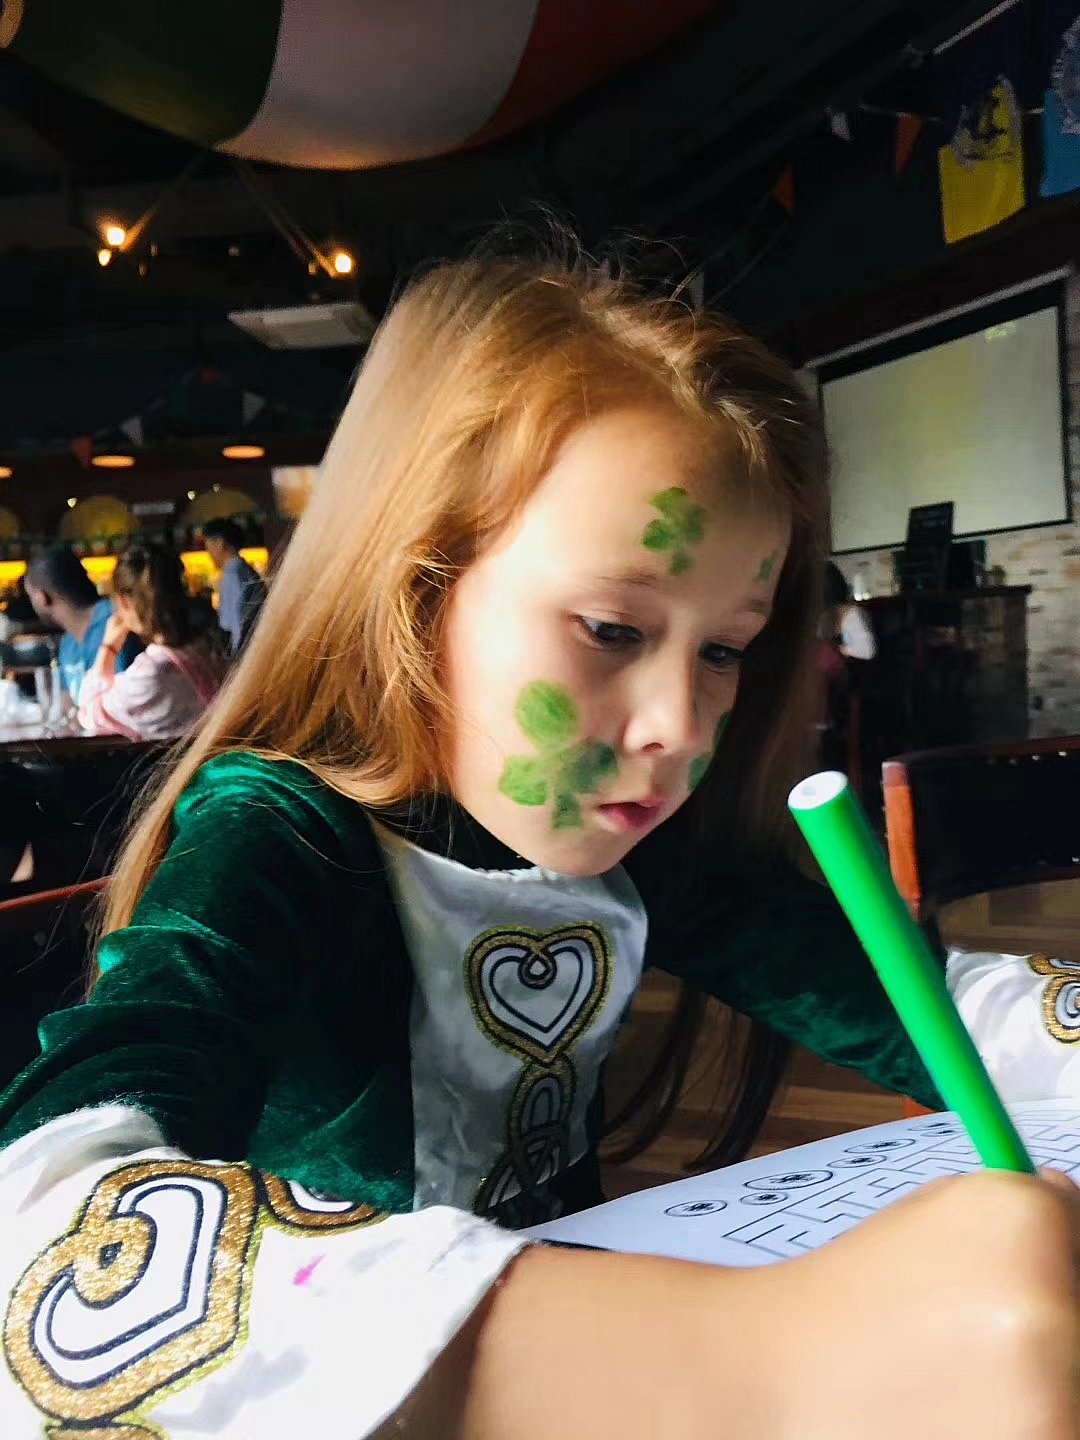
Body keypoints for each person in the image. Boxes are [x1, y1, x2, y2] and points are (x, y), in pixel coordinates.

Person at [0, 255, 1078, 1440]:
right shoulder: (278, 836)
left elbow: (920, 1004)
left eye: (725, 650)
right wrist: (761, 1355)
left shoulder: (633, 842)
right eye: (611, 628)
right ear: (415, 593)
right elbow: (42, 1232)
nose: (682, 726)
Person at [78, 544, 229, 741]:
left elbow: (89, 714)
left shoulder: (149, 675)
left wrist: (109, 648)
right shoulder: (212, 646)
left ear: (124, 601)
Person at [24, 544, 142, 698]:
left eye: (31, 596)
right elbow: (67, 702)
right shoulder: (68, 643)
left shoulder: (117, 622)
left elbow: (126, 701)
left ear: (42, 598)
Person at [202, 516, 267, 652]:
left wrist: (234, 656)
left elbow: (235, 625)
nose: (209, 553)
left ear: (220, 543)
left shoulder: (232, 575)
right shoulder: (245, 571)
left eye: (208, 546)